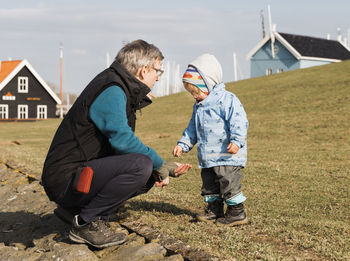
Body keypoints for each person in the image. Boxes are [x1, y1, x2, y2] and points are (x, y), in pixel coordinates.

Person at [41, 39, 191, 248]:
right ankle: (85, 222)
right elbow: (123, 141)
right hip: (65, 179)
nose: (158, 77)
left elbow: (118, 148)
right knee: (142, 166)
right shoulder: (112, 89)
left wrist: (161, 167)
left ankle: (76, 211)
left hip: (75, 175)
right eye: (158, 71)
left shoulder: (117, 86)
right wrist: (158, 163)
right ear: (143, 70)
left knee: (147, 170)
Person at [173, 53, 249, 226]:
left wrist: (237, 141)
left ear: (209, 83)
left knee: (228, 181)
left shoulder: (227, 100)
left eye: (196, 91)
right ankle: (214, 209)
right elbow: (193, 127)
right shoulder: (198, 106)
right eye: (191, 93)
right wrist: (183, 144)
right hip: (207, 157)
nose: (194, 96)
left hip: (226, 153)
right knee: (209, 184)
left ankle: (237, 212)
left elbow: (239, 121)